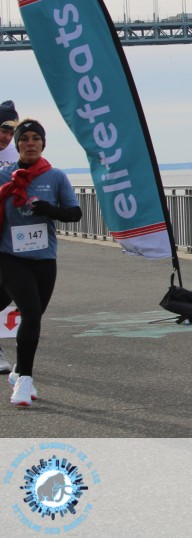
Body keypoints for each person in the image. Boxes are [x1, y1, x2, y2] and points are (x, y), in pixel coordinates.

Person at [0, 120, 82, 407]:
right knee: (31, 313)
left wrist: (51, 210)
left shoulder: (55, 176)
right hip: (9, 256)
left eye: (36, 138)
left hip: (44, 258)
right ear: (18, 145)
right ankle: (25, 382)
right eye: (24, 139)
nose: (30, 143)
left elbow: (75, 213)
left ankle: (19, 370)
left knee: (34, 314)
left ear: (43, 144)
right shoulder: (3, 176)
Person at [0, 101, 18, 373]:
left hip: (10, 234)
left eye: (10, 132)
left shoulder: (16, 154)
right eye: (3, 129)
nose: (6, 137)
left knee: (8, 289)